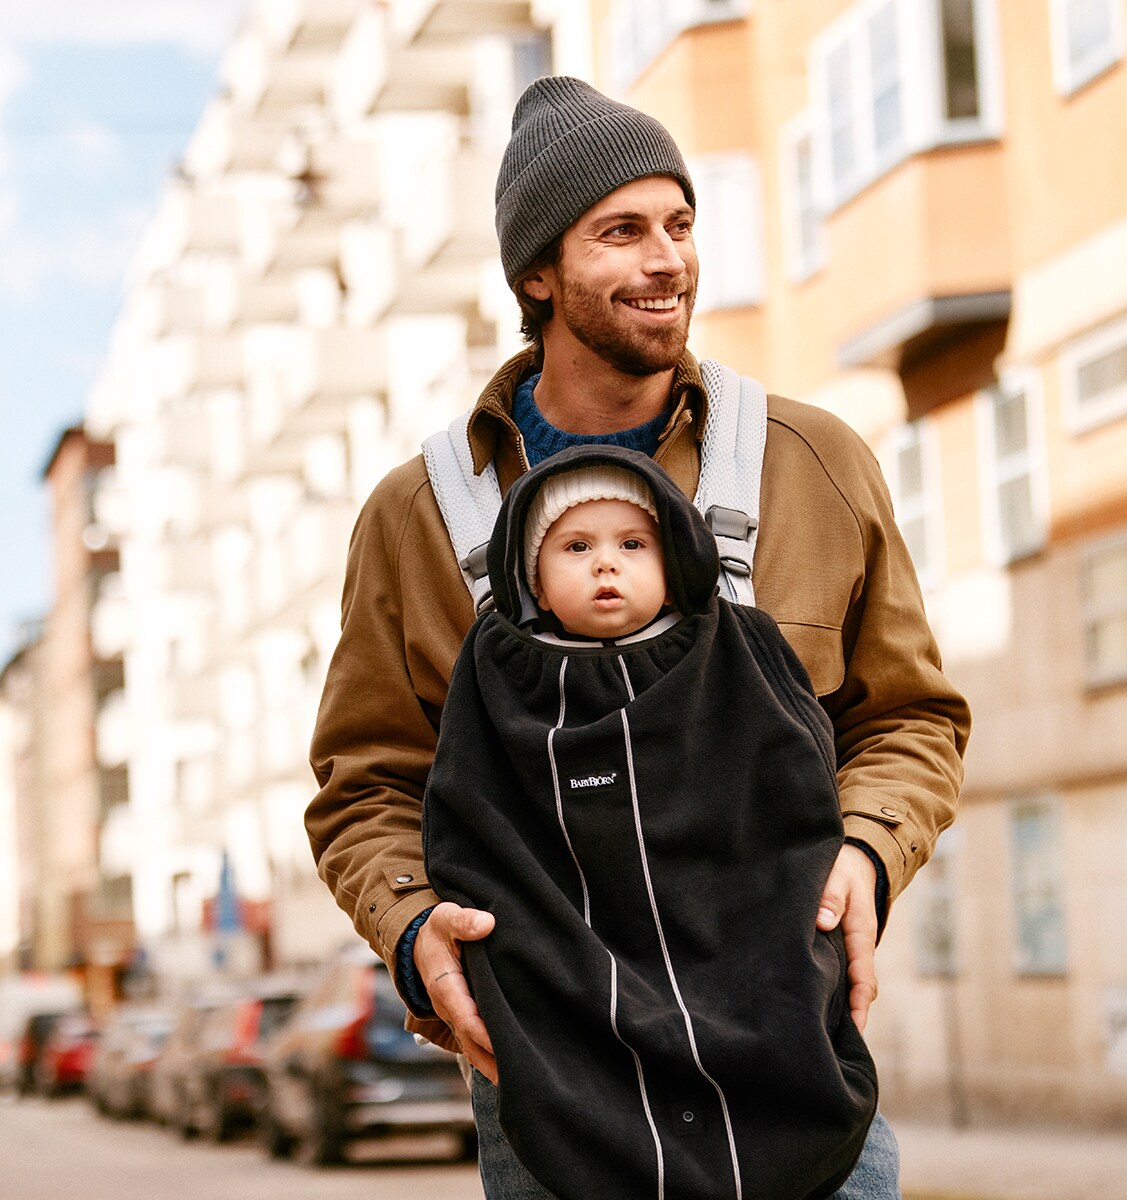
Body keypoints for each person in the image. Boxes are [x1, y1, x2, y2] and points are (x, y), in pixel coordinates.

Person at [306, 75, 971, 1199]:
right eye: (621, 233)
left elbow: (909, 718)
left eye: (680, 224)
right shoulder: (422, 517)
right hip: (552, 1092)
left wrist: (866, 851)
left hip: (791, 1066)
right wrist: (413, 927)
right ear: (538, 275)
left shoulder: (813, 464)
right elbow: (366, 784)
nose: (668, 260)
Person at [422, 444, 880, 1200]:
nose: (608, 566)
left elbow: (798, 801)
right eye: (576, 546)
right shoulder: (497, 676)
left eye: (633, 544)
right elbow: (466, 827)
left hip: (762, 1001)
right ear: (530, 574)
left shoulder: (738, 645)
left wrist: (856, 862)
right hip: (571, 1040)